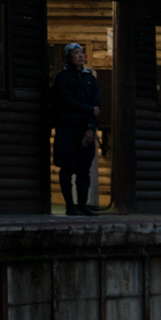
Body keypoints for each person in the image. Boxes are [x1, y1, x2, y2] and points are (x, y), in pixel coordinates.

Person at [51, 41, 101, 214]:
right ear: (69, 57)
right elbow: (66, 101)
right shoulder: (62, 77)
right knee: (67, 167)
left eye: (82, 52)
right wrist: (89, 110)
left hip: (85, 129)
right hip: (67, 127)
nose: (80, 56)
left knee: (83, 168)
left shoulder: (90, 79)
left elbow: (97, 105)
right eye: (76, 53)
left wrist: (90, 128)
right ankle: (70, 206)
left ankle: (82, 204)